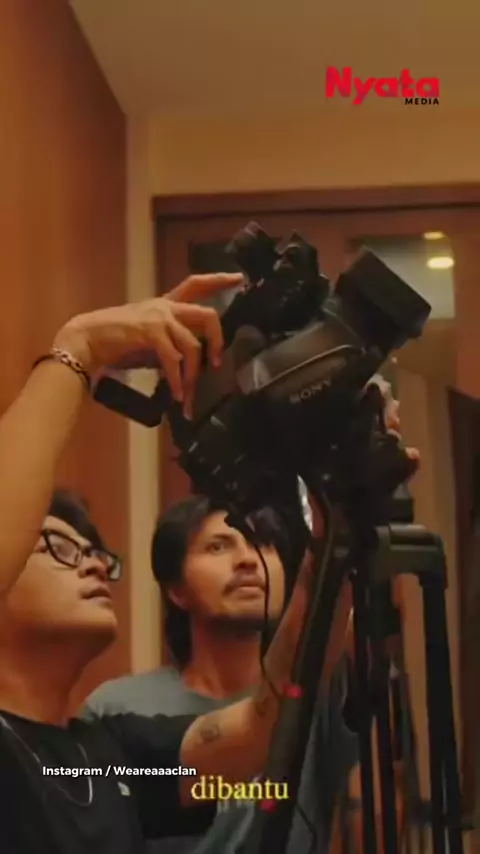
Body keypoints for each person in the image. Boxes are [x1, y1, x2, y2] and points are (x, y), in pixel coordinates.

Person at [0, 273, 316, 854]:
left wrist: (327, 545)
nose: (94, 567)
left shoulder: (105, 757)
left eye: (95, 553)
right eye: (59, 547)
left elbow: (259, 730)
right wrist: (81, 348)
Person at [84, 494, 359, 854]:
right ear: (176, 590)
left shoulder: (320, 694)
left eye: (263, 543)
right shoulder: (116, 708)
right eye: (218, 546)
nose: (248, 559)